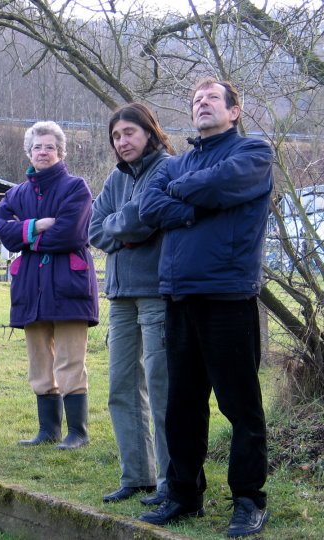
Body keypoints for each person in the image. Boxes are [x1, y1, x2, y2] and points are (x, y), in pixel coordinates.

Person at [137, 78, 272, 538]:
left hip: (228, 295)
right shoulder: (176, 162)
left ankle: (248, 499)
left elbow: (223, 185)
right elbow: (146, 206)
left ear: (235, 111)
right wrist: (194, 205)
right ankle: (184, 495)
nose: (203, 104)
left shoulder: (254, 154)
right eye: (196, 100)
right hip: (179, 295)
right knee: (183, 406)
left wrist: (182, 192)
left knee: (241, 407)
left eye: (213, 98)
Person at [0, 121, 98, 450]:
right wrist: (37, 226)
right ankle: (48, 431)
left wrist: (26, 237)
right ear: (29, 151)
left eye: (49, 147)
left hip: (68, 286)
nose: (43, 152)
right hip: (31, 288)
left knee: (69, 361)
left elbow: (71, 233)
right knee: (40, 362)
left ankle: (77, 433)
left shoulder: (75, 188)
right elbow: (3, 229)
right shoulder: (16, 193)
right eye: (37, 147)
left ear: (60, 151)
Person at [90, 103, 173, 505]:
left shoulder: (168, 168)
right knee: (122, 386)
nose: (122, 142)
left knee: (161, 387)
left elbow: (145, 219)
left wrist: (124, 226)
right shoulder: (115, 178)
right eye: (116, 136)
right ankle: (137, 476)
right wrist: (124, 229)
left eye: (129, 133)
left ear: (149, 132)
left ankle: (171, 481)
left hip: (158, 291)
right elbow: (94, 229)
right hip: (120, 295)